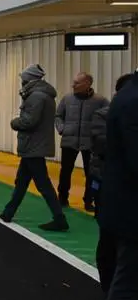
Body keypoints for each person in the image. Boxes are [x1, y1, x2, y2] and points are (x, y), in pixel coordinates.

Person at [99, 70, 138, 300]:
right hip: (130, 207)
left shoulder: (125, 98)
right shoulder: (133, 102)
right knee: (127, 281)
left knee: (121, 276)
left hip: (119, 203)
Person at [0, 64, 69, 231]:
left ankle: (59, 218)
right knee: (22, 181)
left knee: (42, 184)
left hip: (33, 145)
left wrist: (14, 122)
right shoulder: (43, 95)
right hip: (35, 145)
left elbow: (28, 121)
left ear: (28, 79)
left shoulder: (36, 97)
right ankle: (8, 212)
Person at [91, 73, 134, 297]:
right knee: (109, 246)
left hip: (117, 189)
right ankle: (110, 295)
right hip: (109, 186)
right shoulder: (105, 115)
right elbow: (101, 144)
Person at [54, 72, 109, 210]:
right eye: (74, 82)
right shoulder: (67, 99)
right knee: (65, 171)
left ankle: (89, 201)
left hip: (90, 143)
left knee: (90, 173)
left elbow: (107, 117)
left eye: (77, 83)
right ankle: (62, 197)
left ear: (88, 84)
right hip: (69, 141)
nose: (73, 85)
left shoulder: (100, 101)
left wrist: (98, 134)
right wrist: (62, 129)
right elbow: (58, 116)